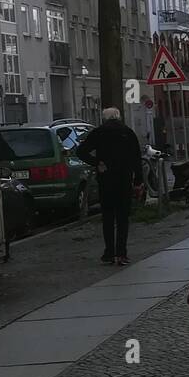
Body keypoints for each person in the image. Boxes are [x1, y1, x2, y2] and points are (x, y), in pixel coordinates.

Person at [76, 107, 144, 265]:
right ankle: (121, 253)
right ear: (118, 117)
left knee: (107, 217)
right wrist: (138, 180)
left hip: (105, 180)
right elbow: (136, 158)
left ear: (104, 118)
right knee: (122, 218)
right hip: (124, 180)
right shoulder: (128, 133)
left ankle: (108, 253)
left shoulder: (99, 133)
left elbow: (81, 151)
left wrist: (97, 163)